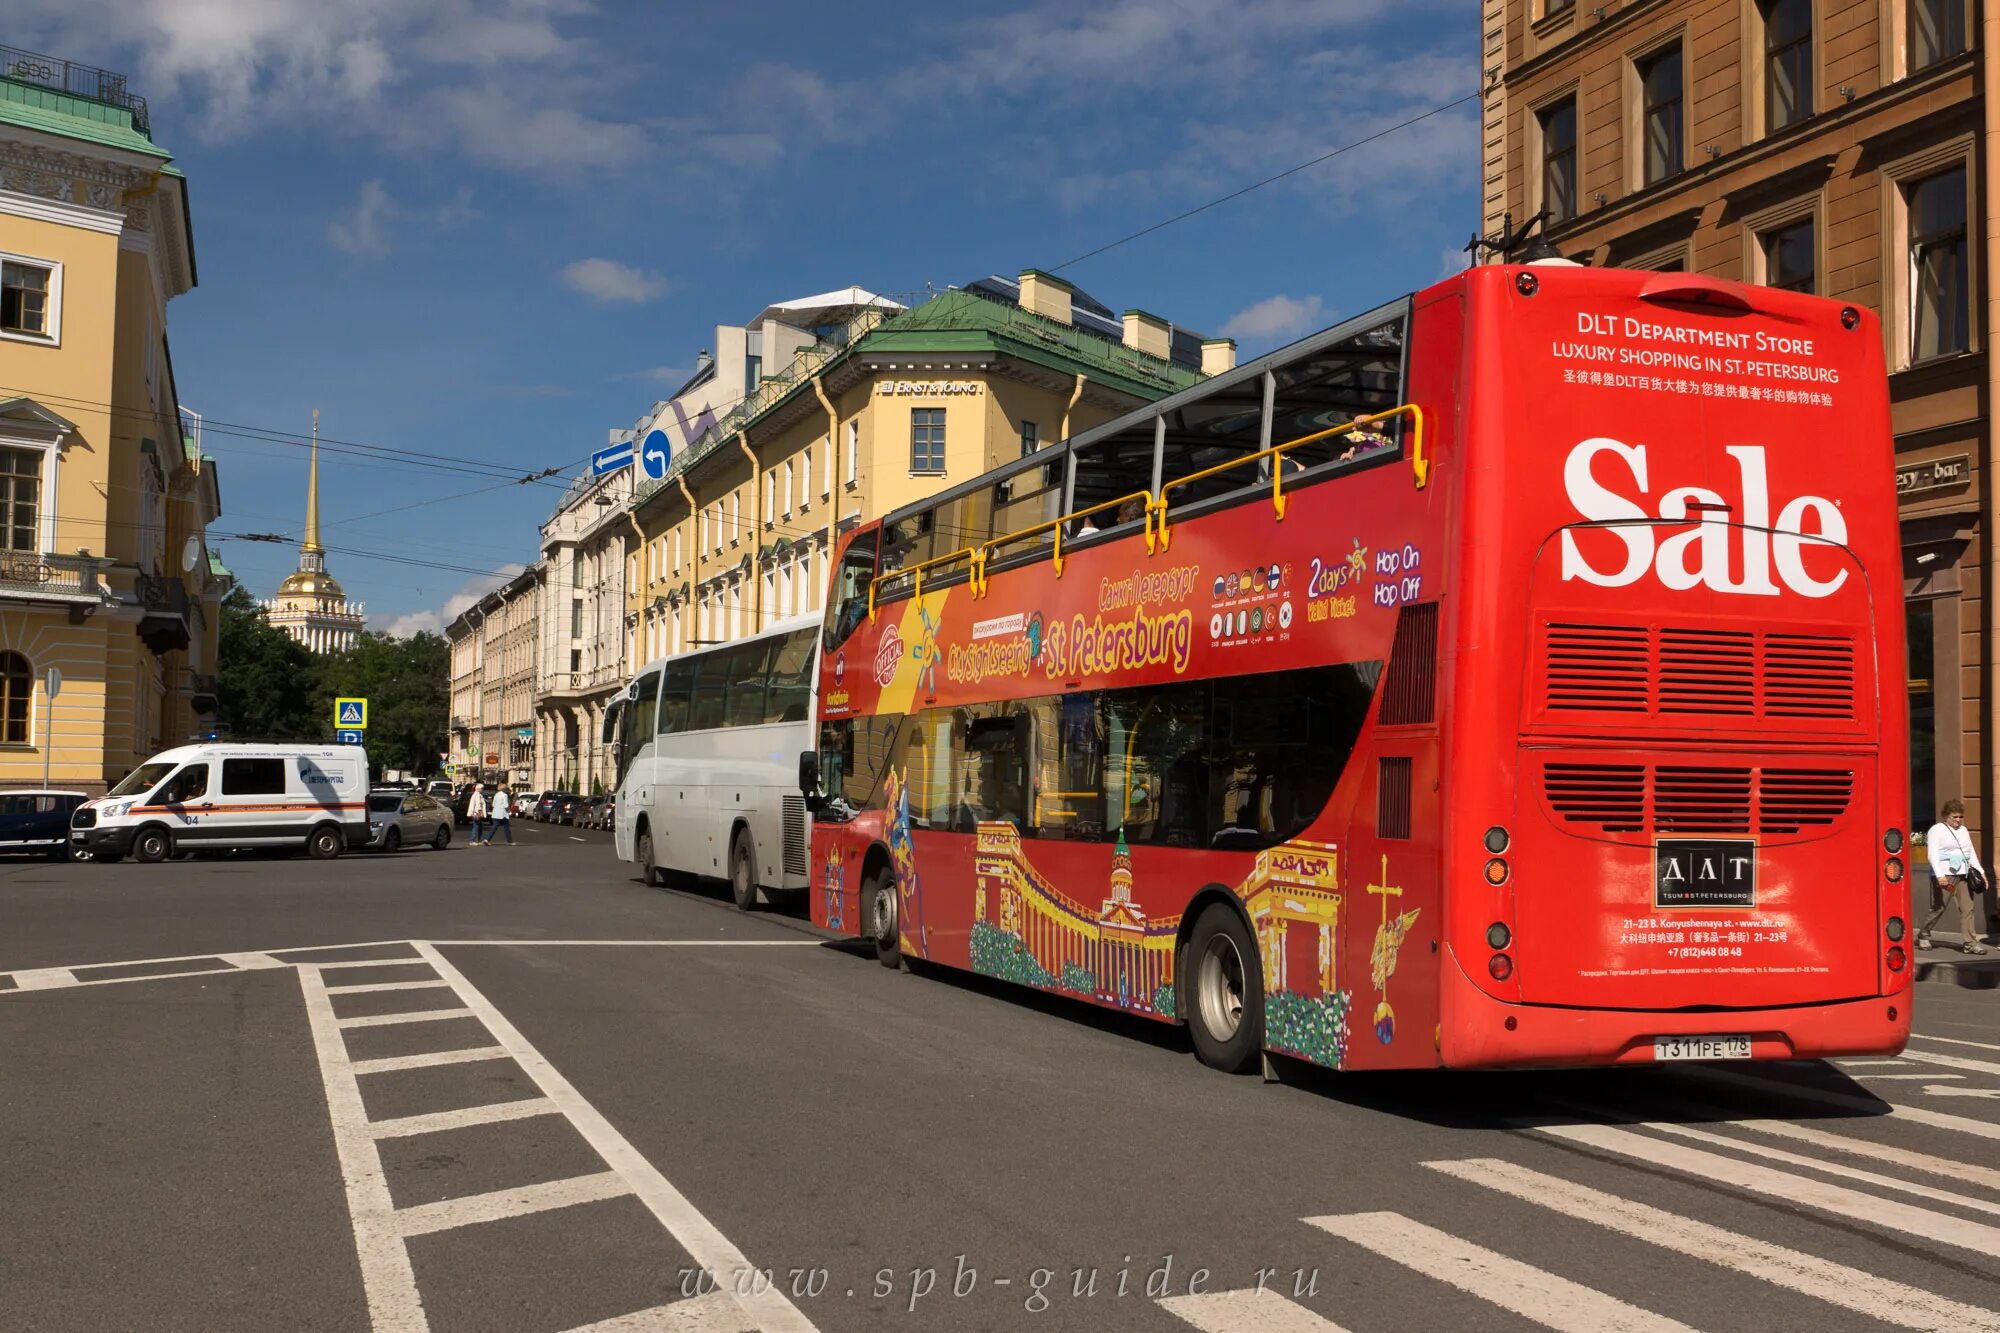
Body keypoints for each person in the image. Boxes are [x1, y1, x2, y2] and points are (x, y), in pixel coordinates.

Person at [1921, 798, 1990, 954]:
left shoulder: (1964, 831)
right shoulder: (1936, 830)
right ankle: (1924, 934)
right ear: (1946, 816)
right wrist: (1940, 875)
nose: (1958, 820)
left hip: (1963, 874)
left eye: (1960, 817)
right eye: (1954, 817)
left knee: (1968, 909)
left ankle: (1970, 943)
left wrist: (1982, 872)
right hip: (1945, 874)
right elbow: (1932, 855)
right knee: (1939, 907)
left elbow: (1970, 853)